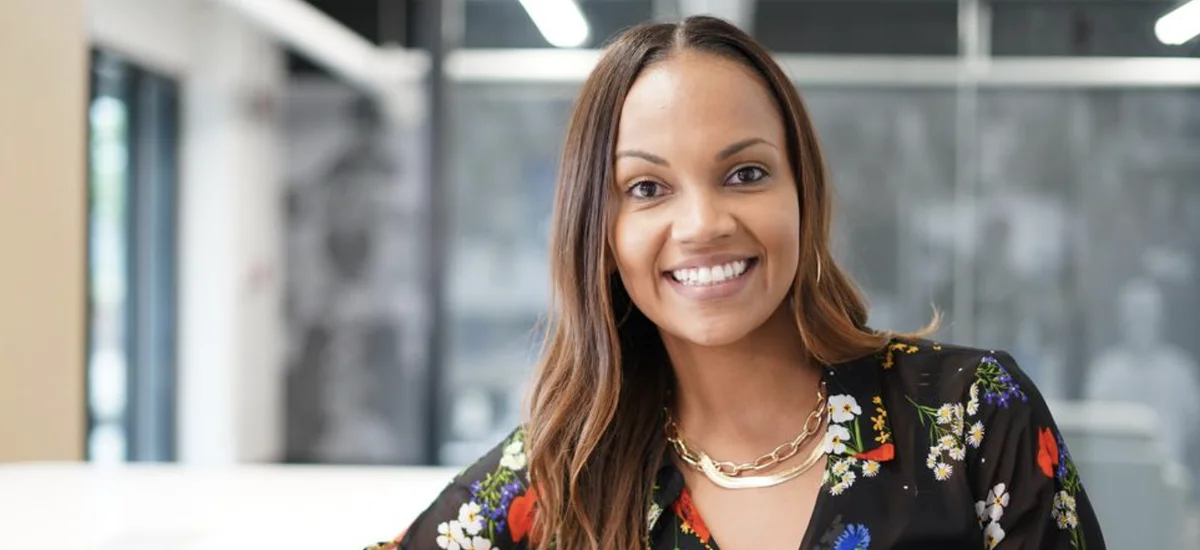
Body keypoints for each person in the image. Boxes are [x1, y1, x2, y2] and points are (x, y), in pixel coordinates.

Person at [367, 16, 1105, 550]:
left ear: (801, 194)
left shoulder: (970, 416)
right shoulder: (560, 473)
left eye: (745, 174)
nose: (703, 223)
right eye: (648, 188)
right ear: (601, 232)